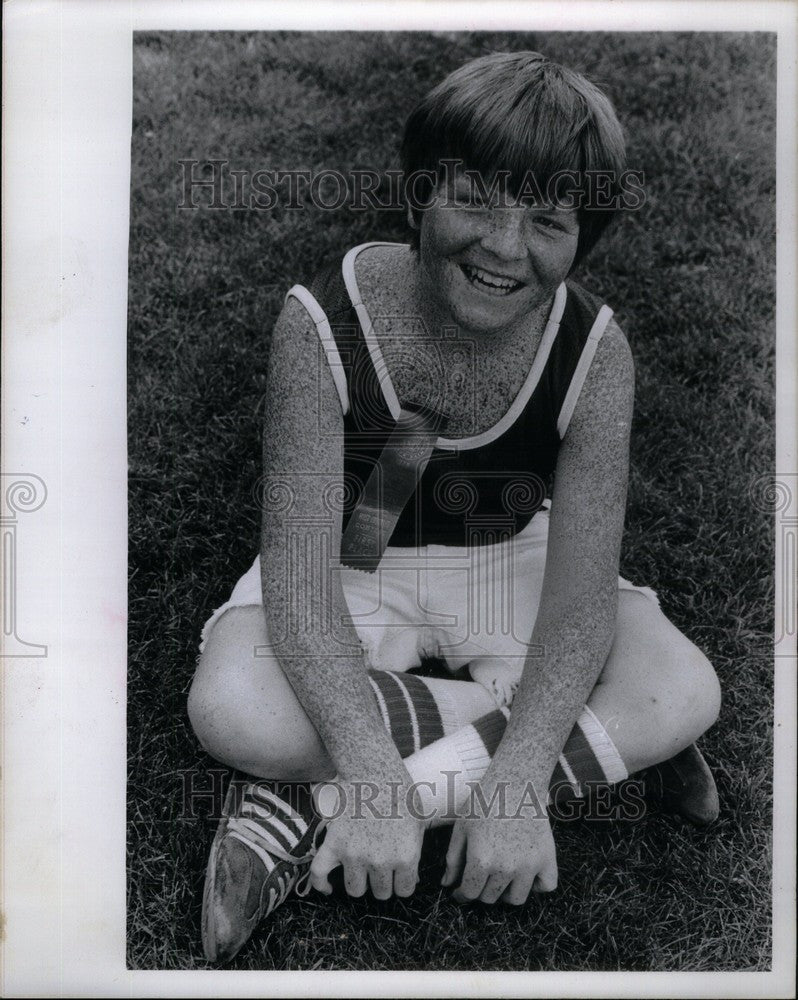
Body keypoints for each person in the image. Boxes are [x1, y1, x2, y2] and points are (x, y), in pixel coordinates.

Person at [187, 50, 722, 964]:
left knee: (685, 686)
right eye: (474, 199)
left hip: (507, 550)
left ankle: (297, 810)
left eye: (548, 220)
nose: (506, 246)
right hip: (353, 563)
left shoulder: (595, 352)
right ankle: (594, 744)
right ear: (418, 197)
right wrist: (373, 756)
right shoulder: (323, 321)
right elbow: (305, 589)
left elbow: (581, 601)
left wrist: (489, 789)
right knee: (233, 703)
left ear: (583, 240)